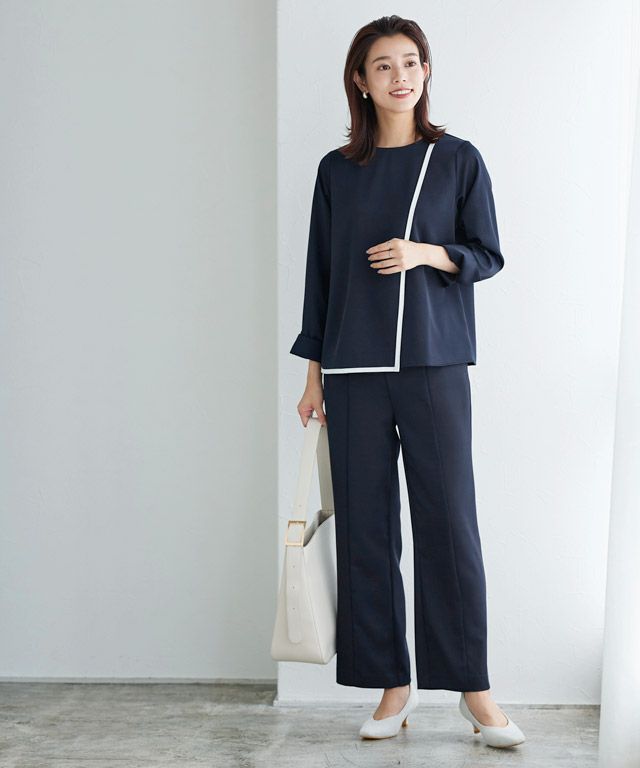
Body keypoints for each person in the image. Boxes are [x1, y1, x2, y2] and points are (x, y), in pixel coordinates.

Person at [289, 15, 525, 748]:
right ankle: (393, 684)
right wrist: (313, 375)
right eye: (384, 65)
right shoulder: (336, 170)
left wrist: (425, 252)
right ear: (361, 81)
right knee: (366, 529)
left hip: (433, 362)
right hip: (352, 371)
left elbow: (487, 254)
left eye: (411, 62)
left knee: (449, 525)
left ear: (425, 72)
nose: (400, 76)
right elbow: (321, 276)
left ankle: (473, 689)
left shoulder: (457, 160)